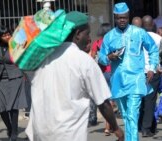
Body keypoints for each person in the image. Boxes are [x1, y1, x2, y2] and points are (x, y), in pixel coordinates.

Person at [25, 11, 124, 141]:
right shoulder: (84, 61)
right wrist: (116, 128)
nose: (89, 38)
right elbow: (103, 103)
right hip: (67, 134)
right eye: (87, 33)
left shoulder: (44, 58)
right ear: (77, 34)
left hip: (39, 132)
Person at [98, 2, 159, 141]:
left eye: (125, 17)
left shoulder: (139, 32)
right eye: (119, 17)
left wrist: (152, 67)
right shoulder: (109, 37)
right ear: (115, 17)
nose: (122, 20)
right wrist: (109, 57)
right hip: (118, 81)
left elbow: (153, 49)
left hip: (136, 80)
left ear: (128, 16)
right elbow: (101, 58)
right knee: (126, 116)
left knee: (132, 114)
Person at [0, 26, 28, 141]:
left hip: (15, 77)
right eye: (3, 35)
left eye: (8, 34)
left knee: (12, 106)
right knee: (1, 108)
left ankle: (14, 134)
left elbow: (24, 55)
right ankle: (10, 128)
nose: (7, 36)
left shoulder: (16, 44)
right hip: (1, 79)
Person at [90, 23, 115, 136]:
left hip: (101, 73)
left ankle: (107, 126)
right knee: (111, 99)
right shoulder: (113, 42)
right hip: (112, 72)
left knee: (104, 99)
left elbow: (92, 57)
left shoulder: (96, 43)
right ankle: (108, 126)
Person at [138, 15, 160, 137]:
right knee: (150, 101)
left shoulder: (137, 37)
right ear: (152, 25)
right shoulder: (158, 38)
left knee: (141, 100)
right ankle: (146, 128)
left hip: (139, 72)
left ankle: (146, 125)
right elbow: (161, 56)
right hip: (153, 72)